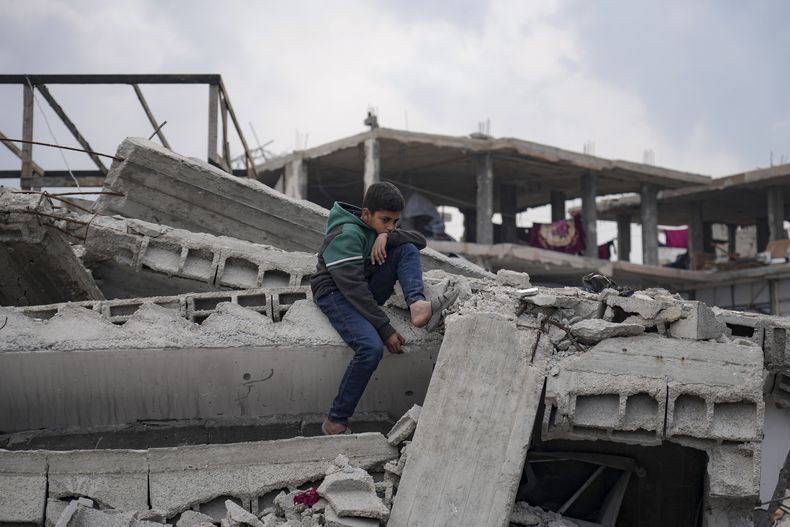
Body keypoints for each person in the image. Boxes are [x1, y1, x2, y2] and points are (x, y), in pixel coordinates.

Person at [310, 182, 457, 435]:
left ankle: (417, 305)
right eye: (385, 220)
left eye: (395, 221)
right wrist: (384, 328)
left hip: (363, 286)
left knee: (407, 248)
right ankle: (335, 421)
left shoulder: (379, 229)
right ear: (366, 214)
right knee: (370, 348)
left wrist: (387, 236)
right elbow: (354, 290)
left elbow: (420, 241)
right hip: (335, 292)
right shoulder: (346, 234)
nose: (391, 225)